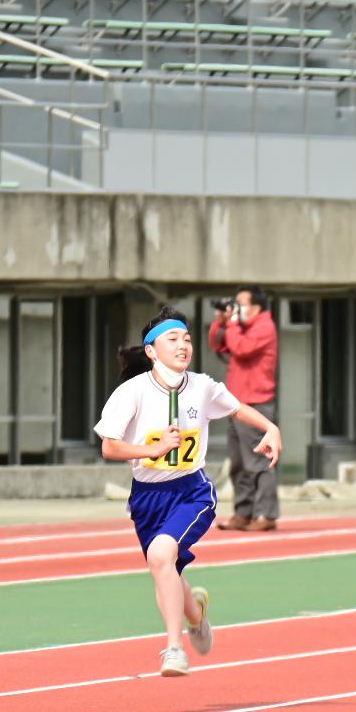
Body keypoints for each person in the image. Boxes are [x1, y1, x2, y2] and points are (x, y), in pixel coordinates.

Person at [97, 308, 284, 678]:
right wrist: (150, 450)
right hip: (147, 497)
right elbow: (110, 447)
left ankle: (173, 649)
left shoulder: (201, 386)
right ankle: (196, 615)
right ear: (151, 351)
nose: (183, 346)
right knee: (165, 566)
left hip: (191, 492)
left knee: (161, 555)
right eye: (173, 340)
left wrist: (270, 427)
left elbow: (236, 408)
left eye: (186, 339)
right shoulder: (131, 393)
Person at [206, 286, 281, 532]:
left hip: (256, 403)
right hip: (236, 403)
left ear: (256, 306)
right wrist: (222, 322)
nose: (237, 309)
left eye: (241, 304)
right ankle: (244, 512)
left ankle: (266, 514)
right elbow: (218, 345)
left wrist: (234, 323)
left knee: (259, 462)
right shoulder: (242, 328)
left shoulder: (264, 326)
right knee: (239, 463)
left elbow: (241, 348)